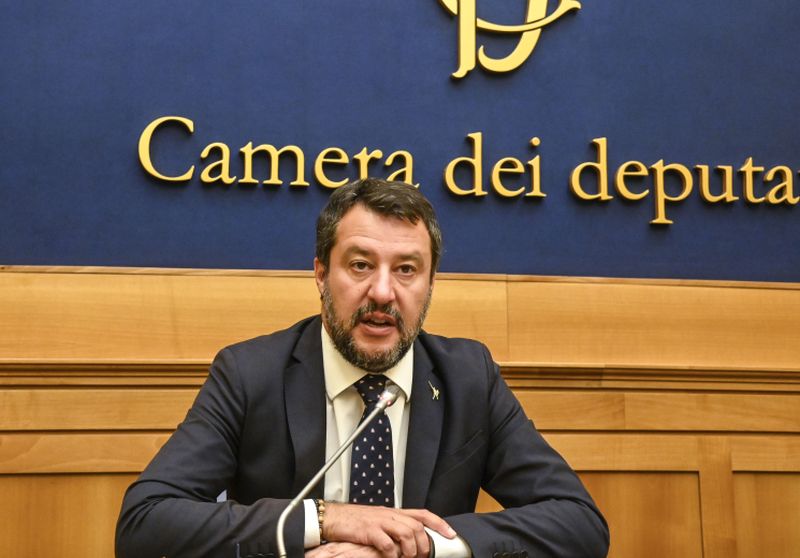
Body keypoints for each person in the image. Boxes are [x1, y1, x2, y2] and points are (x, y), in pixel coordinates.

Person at [116, 178, 609, 558]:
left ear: (431, 284)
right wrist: (326, 519)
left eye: (406, 269)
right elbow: (144, 523)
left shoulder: (468, 377)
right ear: (320, 274)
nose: (382, 292)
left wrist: (422, 545)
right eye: (360, 265)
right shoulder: (250, 374)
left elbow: (580, 524)